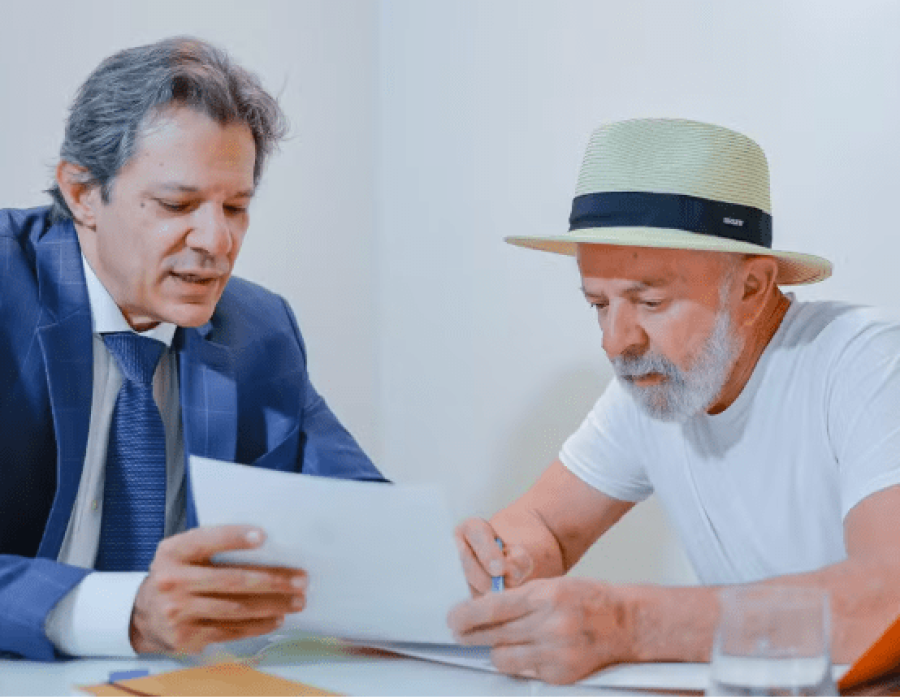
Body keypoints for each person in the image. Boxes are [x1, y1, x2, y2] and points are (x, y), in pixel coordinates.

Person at [449, 118, 900, 684]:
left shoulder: (867, 362)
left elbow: (892, 597)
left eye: (651, 301)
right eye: (599, 305)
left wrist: (630, 624)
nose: (616, 342)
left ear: (752, 288)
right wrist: (505, 560)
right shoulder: (656, 385)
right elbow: (544, 524)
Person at [0, 37, 385, 661]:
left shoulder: (257, 328)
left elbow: (361, 516)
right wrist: (120, 614)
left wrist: (458, 573)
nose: (216, 240)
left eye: (235, 207)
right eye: (177, 204)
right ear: (81, 192)